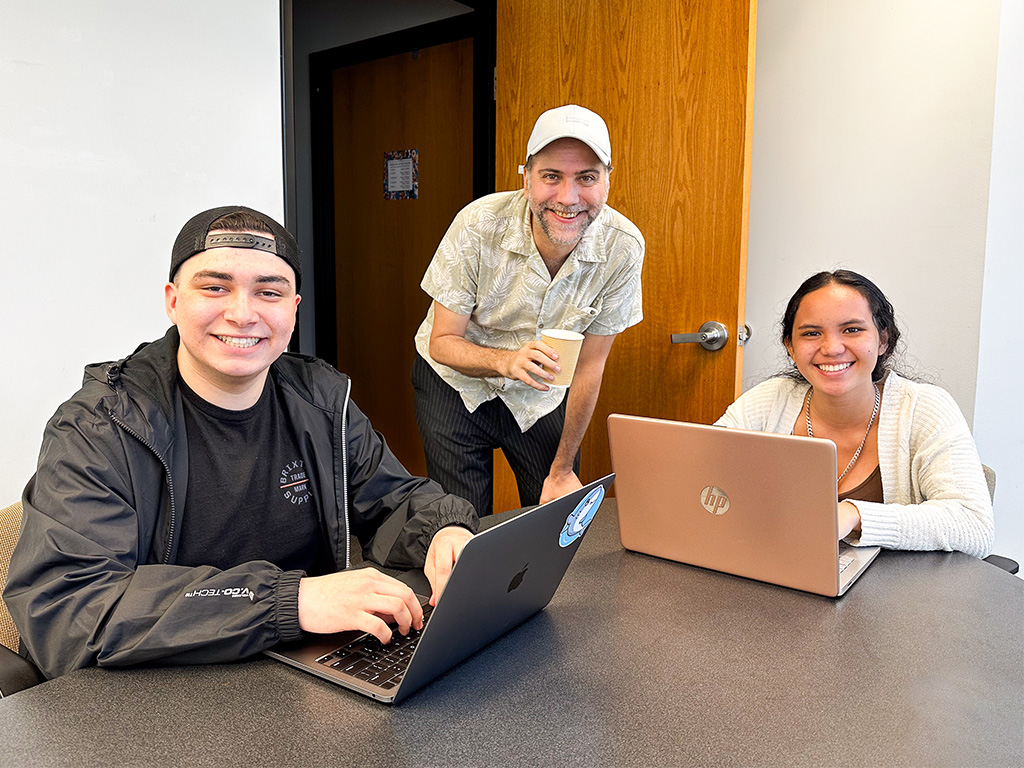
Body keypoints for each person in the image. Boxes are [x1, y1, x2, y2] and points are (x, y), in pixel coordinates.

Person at [4, 206, 478, 680]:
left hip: (294, 675)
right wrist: (289, 601)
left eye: (268, 292)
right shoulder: (101, 426)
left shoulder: (320, 401)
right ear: (173, 301)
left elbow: (393, 500)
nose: (243, 313)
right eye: (215, 287)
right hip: (149, 694)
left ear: (293, 309)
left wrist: (444, 532)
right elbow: (70, 608)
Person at [413, 104, 645, 515]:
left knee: (554, 517)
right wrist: (506, 362)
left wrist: (561, 468)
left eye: (586, 178)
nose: (568, 198)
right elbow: (443, 342)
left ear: (607, 181)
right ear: (526, 179)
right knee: (460, 524)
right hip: (454, 382)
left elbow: (590, 367)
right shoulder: (477, 224)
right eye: (551, 177)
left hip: (542, 395)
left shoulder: (623, 247)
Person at [715, 270, 994, 557]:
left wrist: (854, 514)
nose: (832, 348)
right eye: (811, 333)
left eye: (852, 330)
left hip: (897, 595)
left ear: (883, 340)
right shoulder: (768, 400)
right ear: (790, 346)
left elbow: (975, 527)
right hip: (778, 577)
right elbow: (700, 478)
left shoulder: (924, 408)